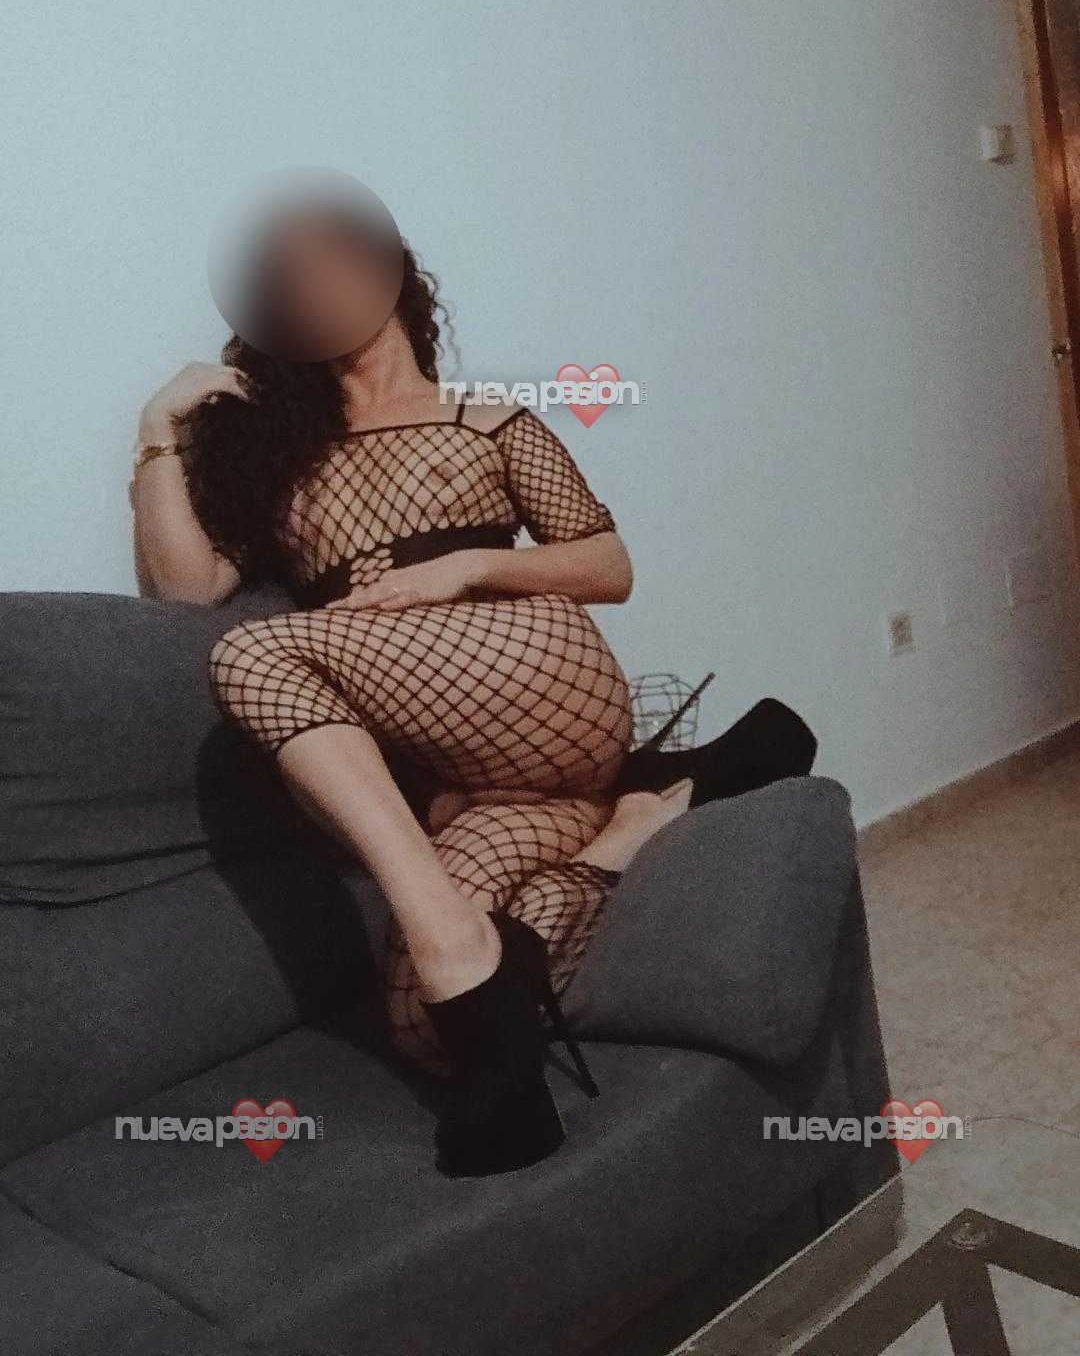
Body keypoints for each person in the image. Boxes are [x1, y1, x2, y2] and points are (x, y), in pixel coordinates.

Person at [132, 210, 816, 1176]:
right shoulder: (279, 457)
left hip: (532, 675)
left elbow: (609, 566)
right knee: (425, 1028)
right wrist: (156, 433)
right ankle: (635, 821)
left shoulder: (487, 419)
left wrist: (468, 568)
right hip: (479, 781)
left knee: (250, 655)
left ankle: (461, 942)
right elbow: (183, 590)